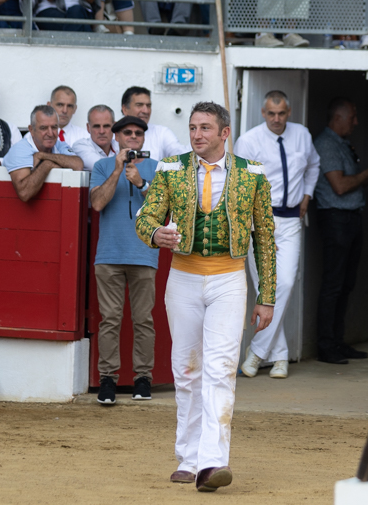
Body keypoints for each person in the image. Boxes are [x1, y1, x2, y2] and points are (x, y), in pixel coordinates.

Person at [135, 101, 276, 493]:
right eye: (193, 128)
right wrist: (154, 234)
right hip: (182, 278)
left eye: (205, 128)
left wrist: (267, 296)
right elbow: (146, 217)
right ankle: (188, 456)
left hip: (229, 281)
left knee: (220, 368)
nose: (197, 134)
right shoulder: (170, 169)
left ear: (224, 133)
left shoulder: (252, 175)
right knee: (186, 368)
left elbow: (264, 237)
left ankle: (212, 462)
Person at [235, 90, 320, 380]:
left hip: (292, 219)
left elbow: (313, 165)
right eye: (271, 114)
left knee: (283, 283)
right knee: (267, 289)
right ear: (263, 113)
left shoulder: (302, 135)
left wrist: (307, 195)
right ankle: (280, 355)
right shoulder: (249, 140)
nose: (276, 119)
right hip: (261, 221)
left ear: (289, 112)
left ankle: (257, 352)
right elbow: (240, 183)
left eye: (281, 113)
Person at [312, 97, 368, 365]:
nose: (356, 122)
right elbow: (341, 186)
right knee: (333, 284)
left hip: (349, 219)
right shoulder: (326, 144)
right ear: (338, 118)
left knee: (346, 284)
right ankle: (325, 346)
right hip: (336, 219)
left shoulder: (342, 143)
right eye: (352, 117)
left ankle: (337, 341)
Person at [89, 113, 159, 404]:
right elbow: (97, 204)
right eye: (127, 133)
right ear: (116, 137)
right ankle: (108, 380)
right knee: (110, 319)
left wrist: (141, 182)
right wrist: (118, 171)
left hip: (143, 253)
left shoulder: (157, 167)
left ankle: (143, 379)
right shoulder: (102, 166)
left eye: (138, 134)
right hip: (109, 254)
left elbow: (163, 208)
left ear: (143, 138)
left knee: (143, 320)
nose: (133, 137)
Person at [2, 104, 83, 201]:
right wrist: (47, 165)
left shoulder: (59, 144)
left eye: (54, 127)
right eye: (43, 128)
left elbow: (78, 165)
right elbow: (24, 193)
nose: (50, 133)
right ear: (31, 130)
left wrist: (43, 156)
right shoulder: (20, 149)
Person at [120, 85, 187, 160]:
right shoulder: (112, 134)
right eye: (139, 105)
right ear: (125, 109)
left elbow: (181, 156)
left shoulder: (162, 133)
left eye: (148, 106)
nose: (146, 111)